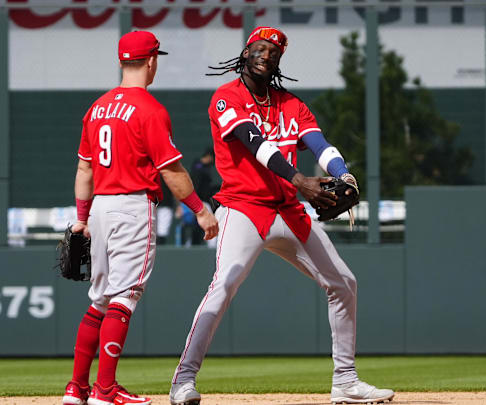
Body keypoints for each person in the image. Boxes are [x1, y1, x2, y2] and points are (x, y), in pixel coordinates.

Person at [168, 27, 395, 405]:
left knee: (344, 283)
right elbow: (255, 142)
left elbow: (319, 144)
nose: (266, 55)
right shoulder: (227, 98)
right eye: (259, 48)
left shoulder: (291, 104)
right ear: (245, 52)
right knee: (224, 284)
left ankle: (346, 382)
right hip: (243, 207)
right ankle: (183, 382)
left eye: (274, 52)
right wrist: (300, 179)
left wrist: (342, 174)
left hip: (288, 209)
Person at [63, 30, 219, 405]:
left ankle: (77, 388)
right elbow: (172, 171)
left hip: (99, 205)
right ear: (151, 61)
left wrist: (82, 218)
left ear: (122, 61)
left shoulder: (96, 108)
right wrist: (200, 209)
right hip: (132, 205)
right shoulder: (150, 109)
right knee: (125, 296)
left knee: (99, 299)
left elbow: (84, 170)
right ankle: (105, 390)